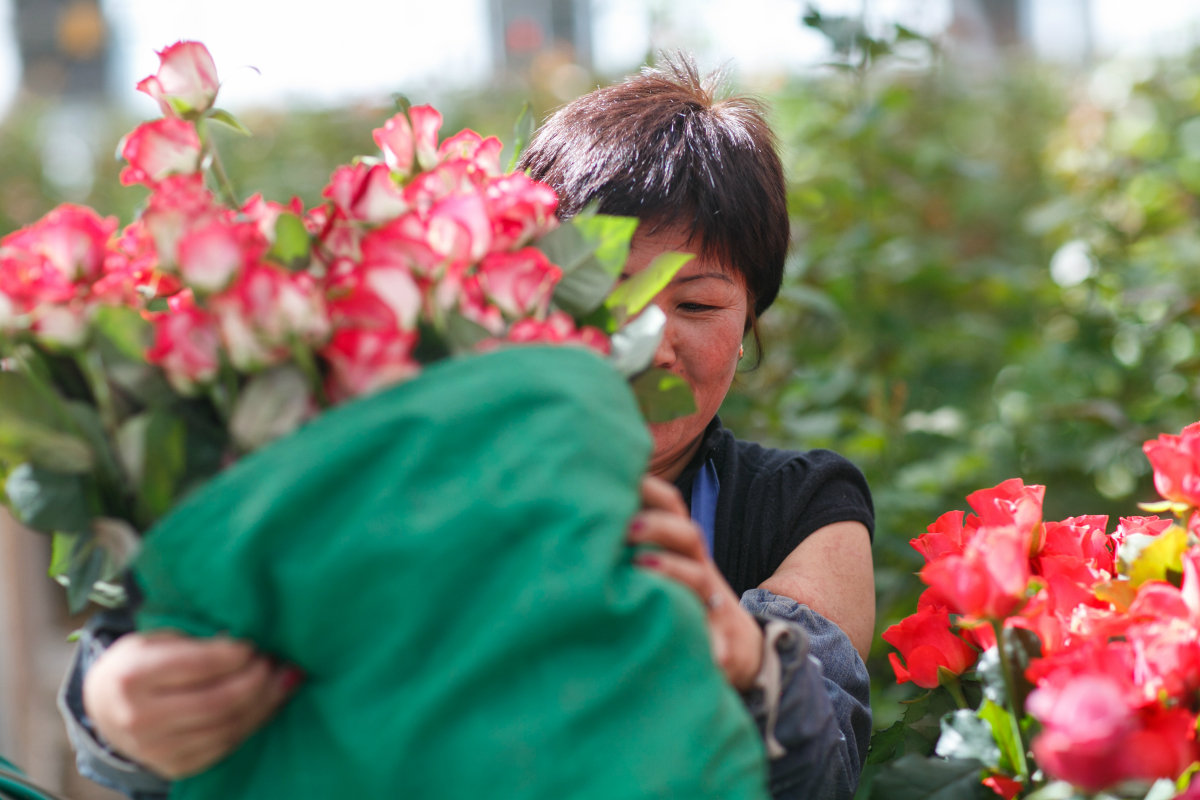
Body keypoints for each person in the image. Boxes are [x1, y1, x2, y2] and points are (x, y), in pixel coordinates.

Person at [61, 56, 875, 800]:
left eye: (696, 304)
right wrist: (118, 702)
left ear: (751, 322)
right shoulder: (405, 458)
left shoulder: (798, 509)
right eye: (608, 293)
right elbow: (164, 633)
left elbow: (824, 766)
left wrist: (743, 657)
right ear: (514, 290)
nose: (651, 342)